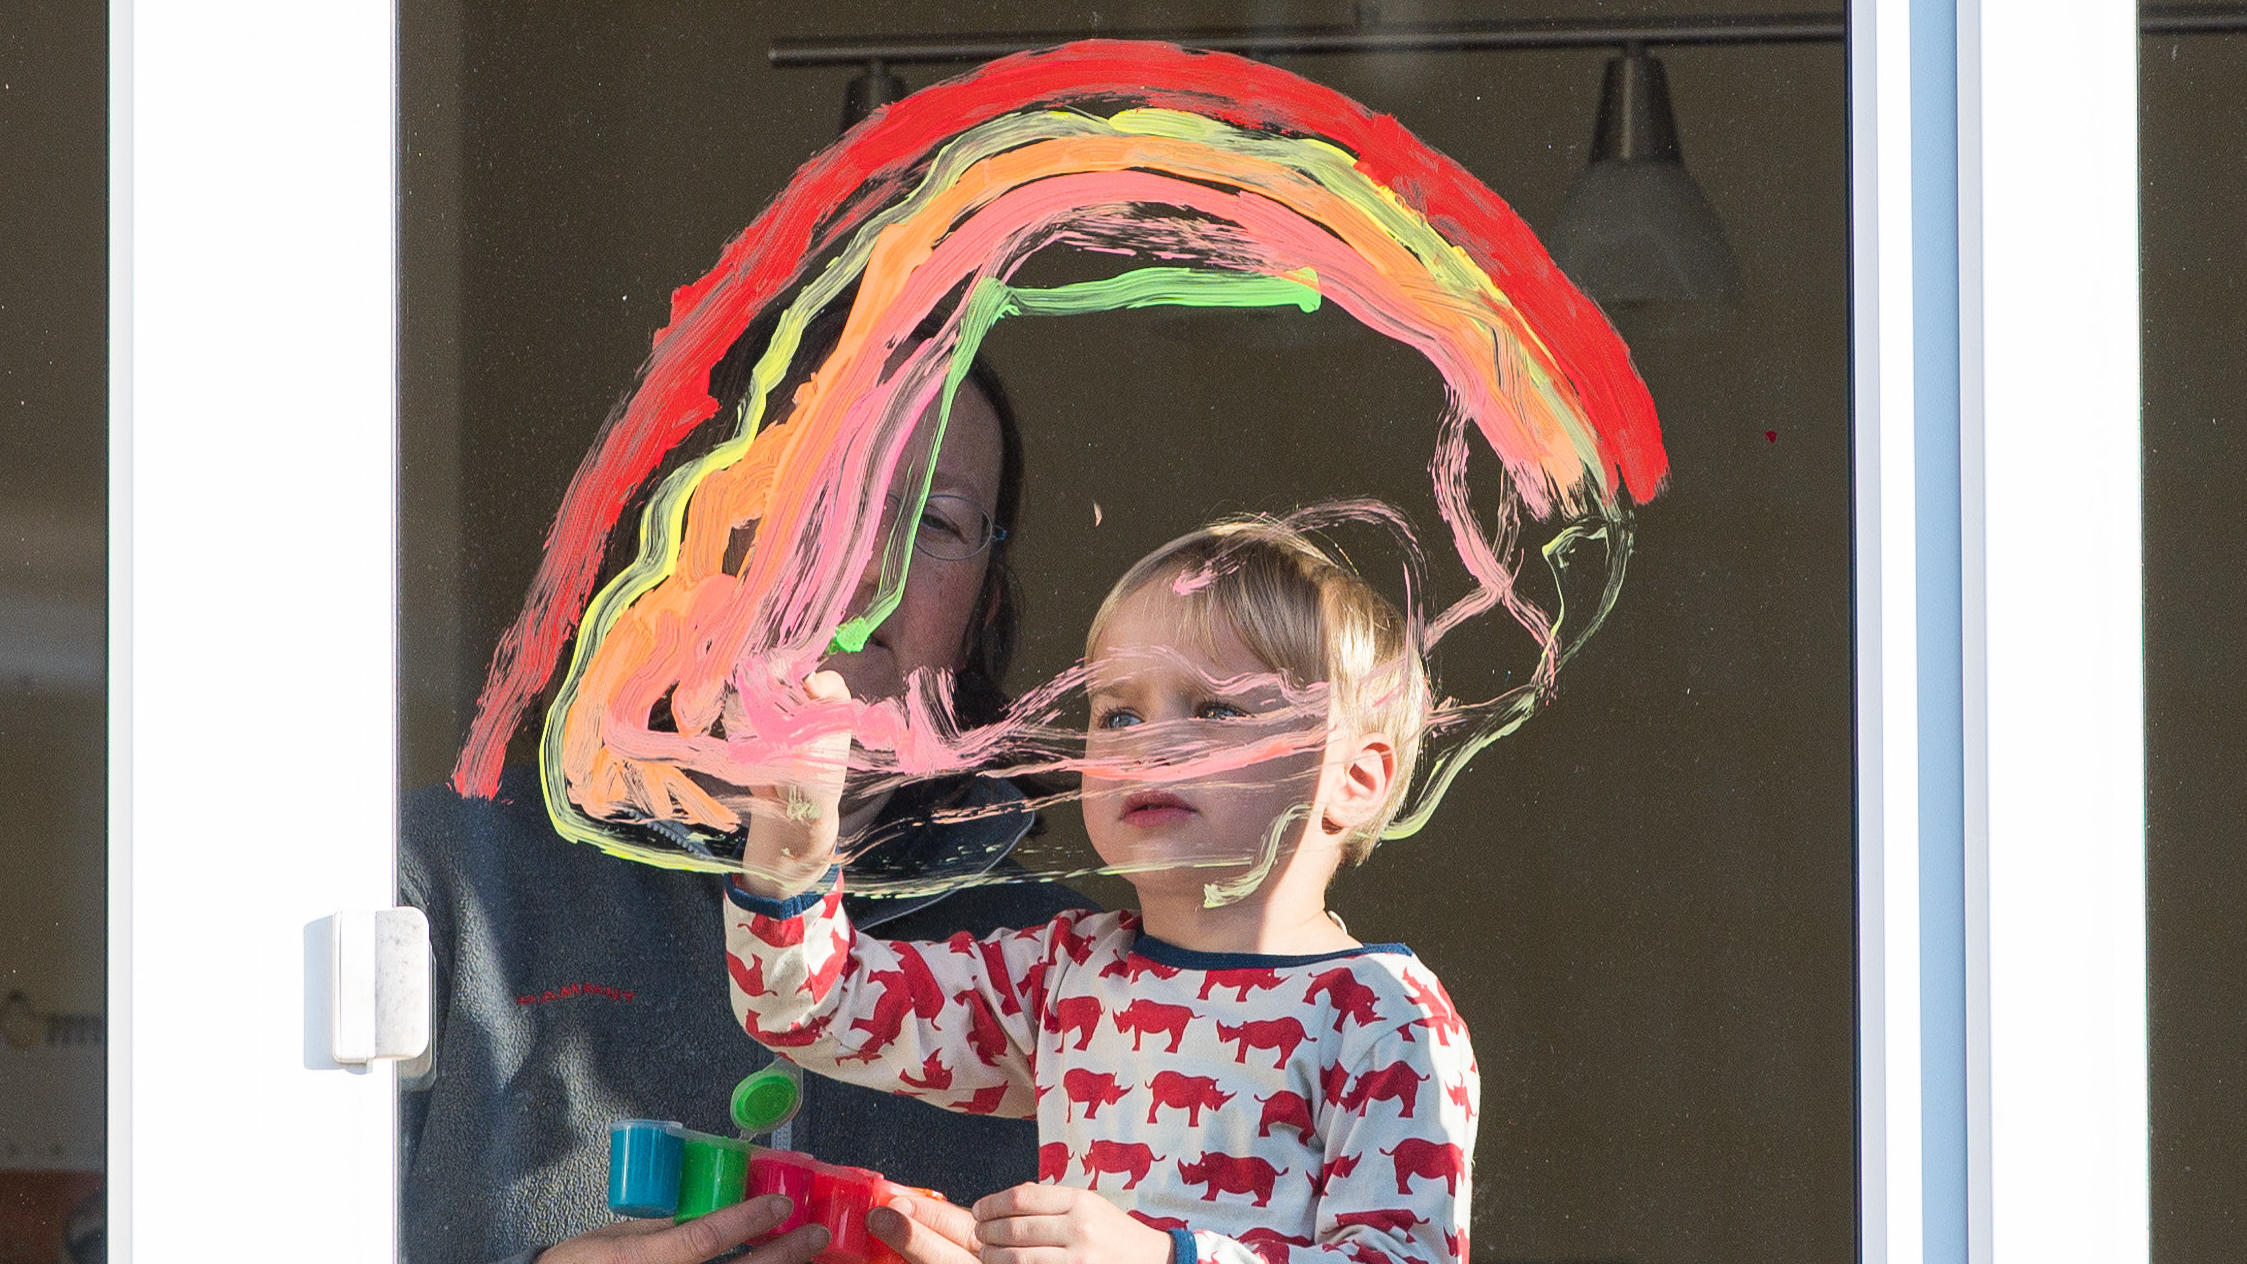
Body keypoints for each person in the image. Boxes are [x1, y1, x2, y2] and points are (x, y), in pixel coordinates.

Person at [399, 362, 1097, 1264]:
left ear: (978, 613)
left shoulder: (1076, 979)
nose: (862, 561)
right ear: (686, 530)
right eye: (809, 490)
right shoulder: (442, 882)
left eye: (932, 520)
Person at [722, 518, 1480, 1264]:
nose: (1145, 745)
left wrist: (1164, 1259)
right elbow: (809, 1010)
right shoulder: (1063, 974)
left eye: (1215, 708)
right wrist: (794, 835)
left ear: (1353, 778)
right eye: (1117, 714)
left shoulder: (1385, 1015)